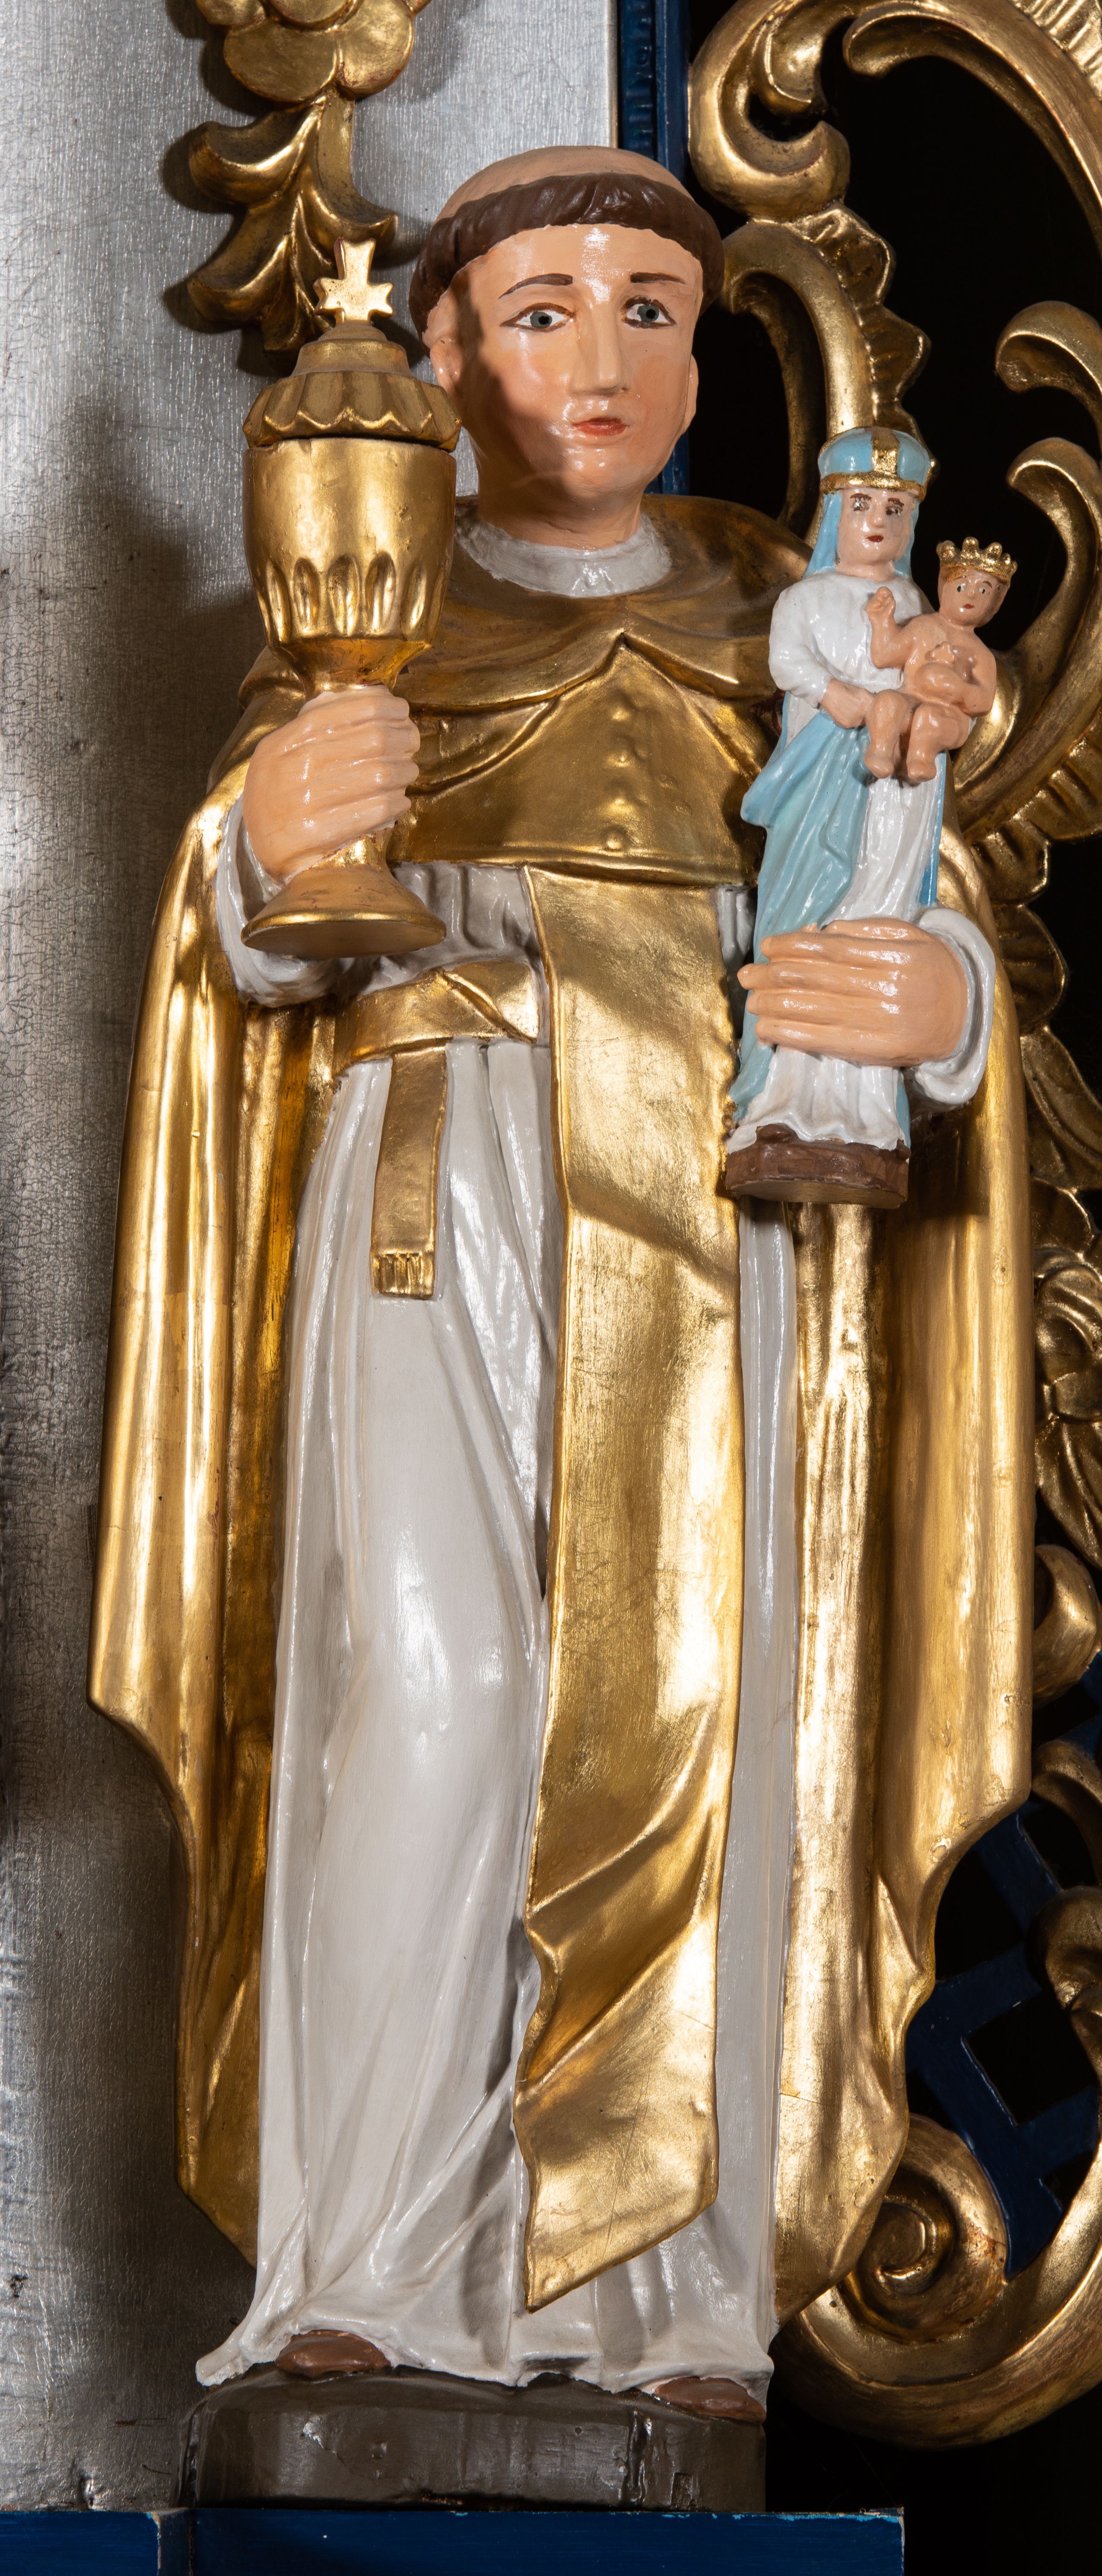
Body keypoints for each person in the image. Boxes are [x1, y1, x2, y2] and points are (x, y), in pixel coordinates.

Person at [89, 149, 1033, 2417]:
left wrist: (938, 1004)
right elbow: (247, 947)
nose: (595, 359)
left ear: (700, 360)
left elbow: (902, 871)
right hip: (442, 1188)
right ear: (443, 357)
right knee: (421, 1698)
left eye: (644, 309)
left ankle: (658, 2289)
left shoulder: (791, 613)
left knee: (712, 1687)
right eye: (537, 311)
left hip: (716, 1202)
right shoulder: (373, 613)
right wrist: (263, 850)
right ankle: (367, 2259)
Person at [724, 430, 1000, 1208]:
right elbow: (789, 666)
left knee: (876, 924)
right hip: (820, 776)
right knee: (802, 922)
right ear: (833, 515)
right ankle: (779, 1103)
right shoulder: (804, 599)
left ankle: (868, 1116)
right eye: (860, 506)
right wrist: (838, 694)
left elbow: (936, 673)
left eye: (894, 509)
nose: (877, 522)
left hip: (897, 794)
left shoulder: (915, 605)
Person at [864, 537, 1013, 780]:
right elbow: (884, 656)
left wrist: (960, 691)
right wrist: (881, 622)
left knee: (929, 717)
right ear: (944, 587)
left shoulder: (981, 654)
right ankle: (881, 751)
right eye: (961, 586)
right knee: (888, 701)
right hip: (911, 699)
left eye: (983, 590)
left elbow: (985, 703)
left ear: (994, 602)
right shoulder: (923, 627)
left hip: (949, 717)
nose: (972, 596)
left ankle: (921, 759)